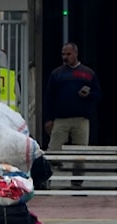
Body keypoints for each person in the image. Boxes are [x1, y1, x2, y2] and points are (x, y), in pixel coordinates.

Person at [43, 42, 102, 186]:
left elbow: (98, 94)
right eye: (63, 54)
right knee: (53, 151)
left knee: (80, 154)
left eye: (68, 54)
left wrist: (88, 95)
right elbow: (49, 97)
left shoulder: (88, 73)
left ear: (76, 53)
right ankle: (46, 181)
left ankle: (77, 183)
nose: (65, 57)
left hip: (81, 119)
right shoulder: (57, 74)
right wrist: (49, 119)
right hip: (61, 119)